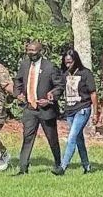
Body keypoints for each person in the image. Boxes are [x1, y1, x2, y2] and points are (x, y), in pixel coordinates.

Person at [14, 41, 65, 175]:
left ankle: (58, 165)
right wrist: (18, 93)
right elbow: (18, 80)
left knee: (52, 138)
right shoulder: (24, 65)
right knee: (27, 137)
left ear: (41, 51)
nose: (30, 53)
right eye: (29, 50)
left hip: (46, 110)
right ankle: (23, 169)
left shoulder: (50, 66)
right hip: (30, 109)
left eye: (33, 50)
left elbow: (60, 86)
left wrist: (50, 98)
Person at [51, 49, 98, 175]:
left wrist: (95, 113)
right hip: (69, 110)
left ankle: (63, 166)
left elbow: (93, 93)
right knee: (78, 138)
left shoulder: (85, 73)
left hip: (83, 108)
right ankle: (87, 166)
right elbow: (60, 88)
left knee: (71, 137)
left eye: (70, 62)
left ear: (76, 61)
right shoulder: (65, 74)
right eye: (66, 63)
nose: (68, 65)